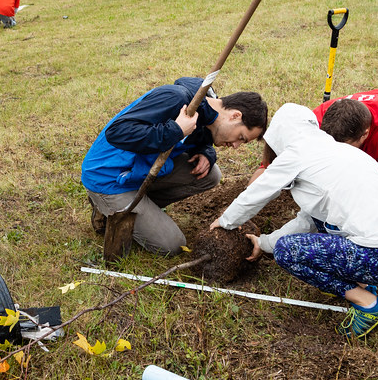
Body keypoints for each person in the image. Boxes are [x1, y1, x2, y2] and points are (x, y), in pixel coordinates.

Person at [211, 103, 378, 340]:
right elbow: (309, 220)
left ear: (279, 136)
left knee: (286, 252)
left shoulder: (297, 152)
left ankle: (369, 304)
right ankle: (365, 284)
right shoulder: (337, 152)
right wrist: (263, 243)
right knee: (320, 229)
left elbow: (259, 192)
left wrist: (226, 221)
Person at [82, 78, 268, 256]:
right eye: (241, 137)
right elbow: (117, 132)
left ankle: (143, 207)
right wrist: (175, 130)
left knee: (210, 174)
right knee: (171, 245)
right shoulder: (176, 99)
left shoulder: (208, 119)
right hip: (109, 176)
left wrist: (207, 153)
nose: (236, 146)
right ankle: (107, 207)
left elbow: (198, 140)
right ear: (235, 116)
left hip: (138, 172)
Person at [252, 90, 378, 214]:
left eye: (345, 148)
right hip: (377, 127)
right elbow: (280, 155)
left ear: (364, 135)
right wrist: (264, 173)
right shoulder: (319, 119)